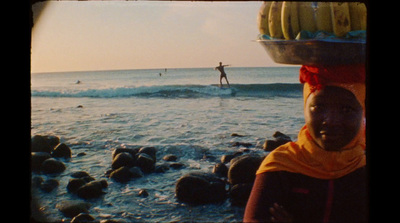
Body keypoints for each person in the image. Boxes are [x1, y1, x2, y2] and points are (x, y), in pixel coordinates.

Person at [243, 64, 367, 223]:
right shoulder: (281, 166)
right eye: (318, 107)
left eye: (346, 109)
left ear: (362, 112)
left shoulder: (361, 169)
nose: (331, 121)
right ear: (305, 108)